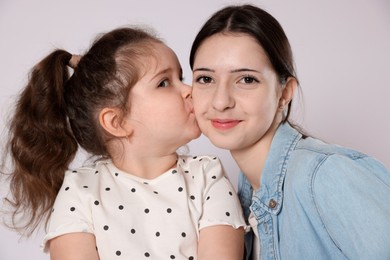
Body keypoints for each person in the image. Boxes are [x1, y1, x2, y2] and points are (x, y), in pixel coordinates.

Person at [2, 26, 246, 260]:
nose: (189, 89)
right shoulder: (80, 191)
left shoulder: (207, 176)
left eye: (180, 77)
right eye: (164, 82)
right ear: (116, 122)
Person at [189, 4, 390, 260]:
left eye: (246, 79)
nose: (220, 101)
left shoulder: (325, 176)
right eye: (205, 79)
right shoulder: (241, 197)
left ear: (284, 92)